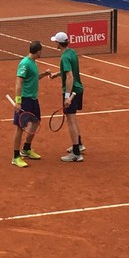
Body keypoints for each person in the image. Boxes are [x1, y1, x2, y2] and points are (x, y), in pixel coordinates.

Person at [10, 40, 50, 168]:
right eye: (41, 51)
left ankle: (26, 149)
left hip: (33, 99)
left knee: (36, 122)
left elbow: (32, 78)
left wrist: (43, 75)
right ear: (38, 51)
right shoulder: (25, 63)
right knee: (20, 128)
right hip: (25, 99)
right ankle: (16, 156)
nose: (41, 52)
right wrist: (18, 101)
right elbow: (19, 82)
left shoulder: (33, 63)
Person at [48, 32, 85, 162]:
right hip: (78, 90)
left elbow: (70, 76)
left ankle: (76, 153)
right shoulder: (72, 53)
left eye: (56, 42)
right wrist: (57, 74)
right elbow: (69, 71)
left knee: (71, 120)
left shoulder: (64, 57)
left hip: (71, 91)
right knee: (73, 119)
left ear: (58, 43)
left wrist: (67, 97)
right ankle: (79, 145)